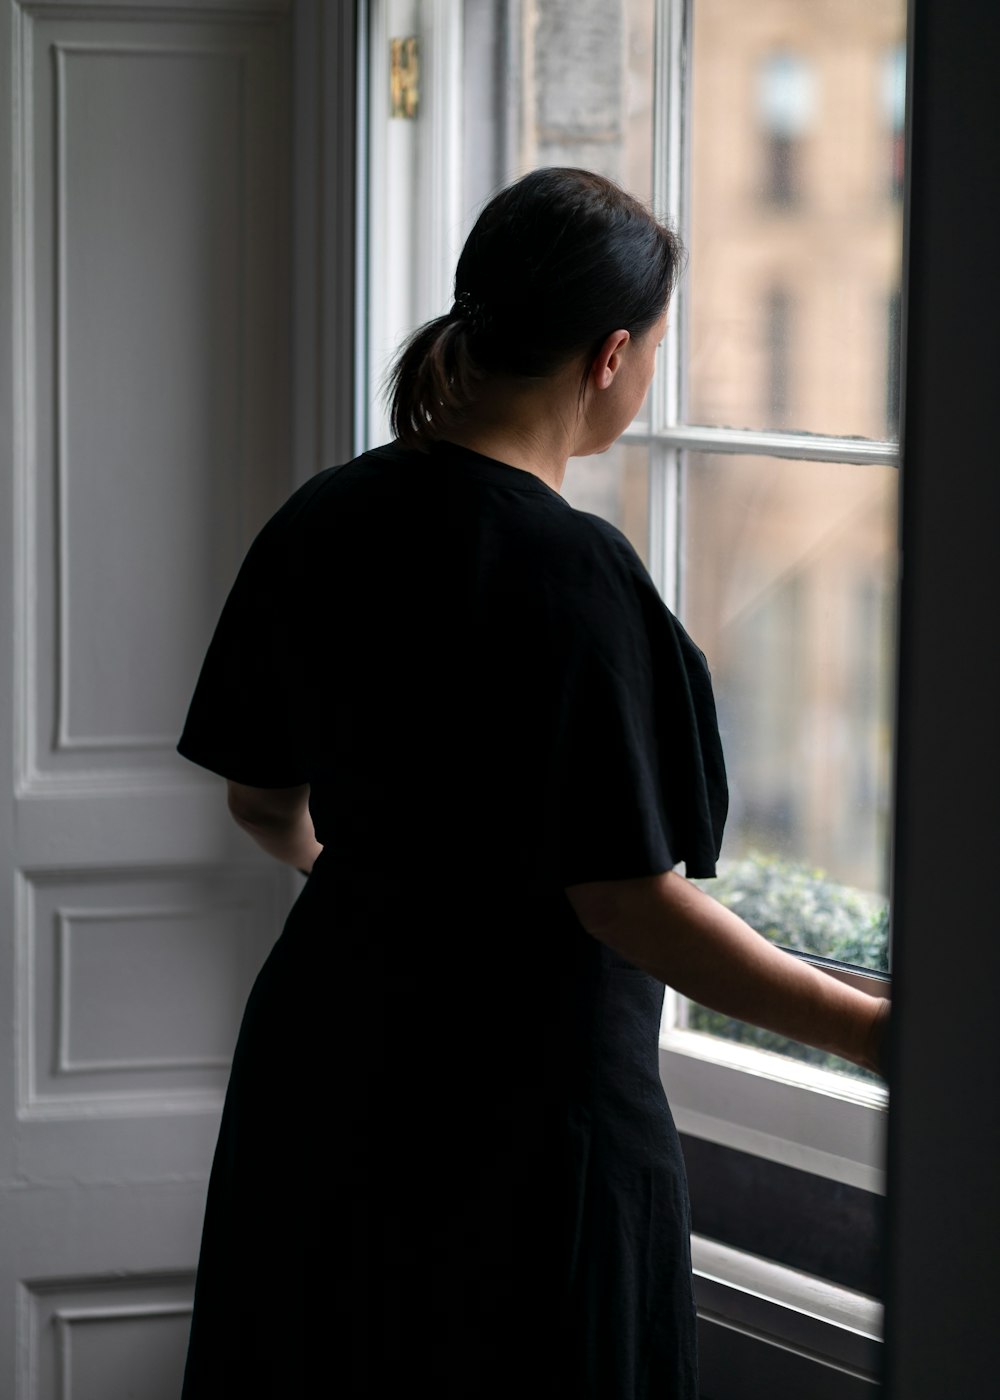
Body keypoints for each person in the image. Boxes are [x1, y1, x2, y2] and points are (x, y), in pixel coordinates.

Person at [177, 167, 888, 1398]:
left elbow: (262, 800)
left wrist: (400, 888)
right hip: (514, 1118)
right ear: (610, 356)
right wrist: (873, 1027)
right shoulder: (574, 574)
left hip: (326, 1066)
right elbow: (626, 902)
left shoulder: (322, 518)